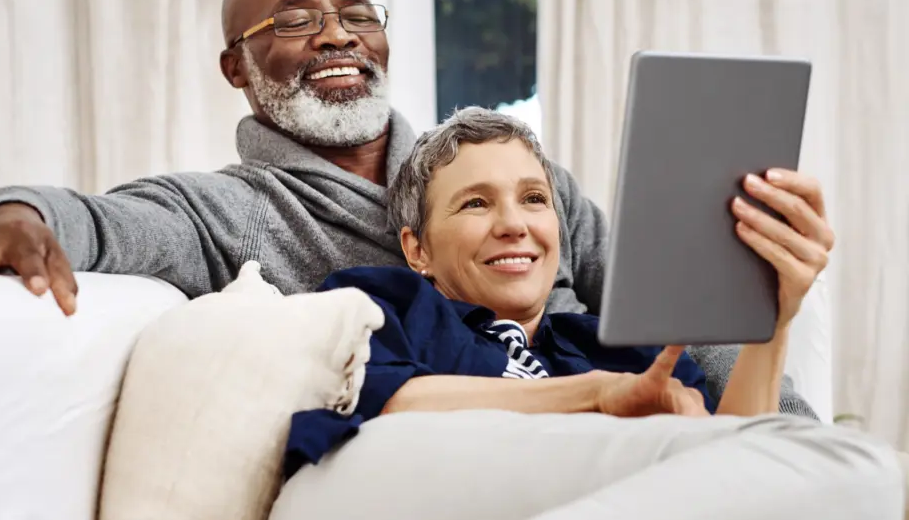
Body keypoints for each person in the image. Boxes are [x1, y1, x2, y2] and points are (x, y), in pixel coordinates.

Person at [0, 0, 818, 415]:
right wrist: (14, 213)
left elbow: (681, 327)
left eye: (358, 14)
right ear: (236, 66)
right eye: (294, 20)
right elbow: (104, 220)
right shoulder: (228, 210)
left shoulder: (516, 176)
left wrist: (790, 434)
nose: (337, 35)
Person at [272, 108, 905, 520]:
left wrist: (774, 314)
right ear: (417, 249)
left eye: (534, 199)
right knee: (863, 469)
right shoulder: (385, 301)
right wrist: (598, 397)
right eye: (475, 204)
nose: (514, 224)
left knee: (826, 470)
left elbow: (739, 459)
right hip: (390, 485)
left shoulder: (613, 348)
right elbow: (391, 400)